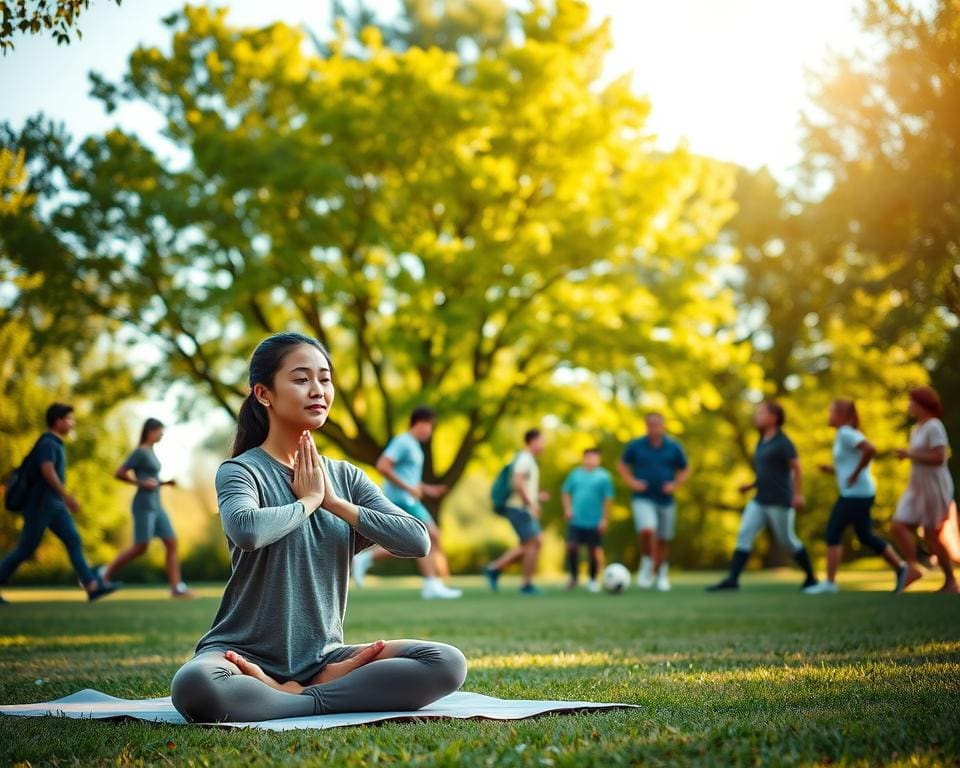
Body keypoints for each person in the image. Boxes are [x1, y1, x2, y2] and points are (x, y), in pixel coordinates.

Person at [170, 333, 466, 723]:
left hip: (323, 659)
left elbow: (417, 540)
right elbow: (246, 530)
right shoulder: (241, 470)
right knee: (196, 686)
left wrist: (334, 503)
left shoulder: (346, 477)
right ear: (264, 394)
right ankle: (307, 695)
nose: (318, 390)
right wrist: (307, 502)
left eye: (325, 379)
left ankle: (296, 696)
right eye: (301, 379)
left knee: (445, 662)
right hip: (238, 654)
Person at [0, 404, 117, 604]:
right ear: (58, 421)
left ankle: (92, 586)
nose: (73, 423)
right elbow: (47, 470)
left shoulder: (55, 443)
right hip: (40, 504)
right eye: (69, 419)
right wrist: (66, 496)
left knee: (73, 540)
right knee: (26, 548)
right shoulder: (48, 443)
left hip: (54, 505)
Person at [351, 407, 461, 600]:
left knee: (421, 538)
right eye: (429, 426)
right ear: (419, 423)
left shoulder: (414, 446)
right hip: (401, 500)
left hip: (408, 498)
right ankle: (430, 585)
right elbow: (383, 466)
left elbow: (408, 477)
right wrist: (409, 489)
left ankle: (367, 559)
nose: (430, 431)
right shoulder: (403, 442)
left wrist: (427, 489)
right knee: (428, 536)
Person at [708, 400, 818, 592]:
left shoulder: (783, 443)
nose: (756, 416)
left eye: (761, 413)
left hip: (780, 500)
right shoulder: (761, 441)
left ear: (774, 418)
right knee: (744, 535)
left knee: (787, 541)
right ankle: (733, 580)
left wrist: (798, 495)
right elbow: (766, 472)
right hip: (759, 499)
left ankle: (811, 577)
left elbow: (797, 469)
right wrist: (750, 485)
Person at [805, 399, 911, 594]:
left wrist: (854, 474)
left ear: (841, 415)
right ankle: (901, 567)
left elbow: (870, 449)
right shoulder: (842, 434)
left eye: (831, 412)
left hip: (856, 493)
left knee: (833, 531)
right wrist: (833, 470)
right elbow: (849, 462)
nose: (828, 416)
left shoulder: (846, 433)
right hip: (859, 492)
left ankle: (829, 583)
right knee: (865, 535)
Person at [99, 418, 193, 598]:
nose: (162, 434)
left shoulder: (151, 451)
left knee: (171, 542)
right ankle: (104, 573)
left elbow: (152, 480)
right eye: (160, 431)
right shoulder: (140, 452)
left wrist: (164, 483)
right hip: (144, 505)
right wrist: (140, 482)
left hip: (157, 505)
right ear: (150, 431)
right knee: (140, 547)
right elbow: (119, 473)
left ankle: (176, 588)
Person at [889, 386, 957, 593]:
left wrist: (910, 455)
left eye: (912, 401)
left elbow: (939, 457)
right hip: (916, 485)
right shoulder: (916, 428)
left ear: (922, 404)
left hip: (934, 485)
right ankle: (912, 567)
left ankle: (950, 581)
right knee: (898, 524)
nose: (909, 405)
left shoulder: (934, 426)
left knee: (932, 534)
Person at [617, 413, 689, 591]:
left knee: (664, 538)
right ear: (646, 426)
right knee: (648, 530)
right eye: (650, 425)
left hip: (665, 500)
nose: (653, 428)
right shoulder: (637, 445)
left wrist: (675, 484)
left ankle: (661, 574)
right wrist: (632, 482)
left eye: (657, 424)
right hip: (643, 498)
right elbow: (622, 464)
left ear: (663, 426)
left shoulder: (673, 446)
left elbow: (684, 469)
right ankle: (648, 565)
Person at [483, 429, 549, 595]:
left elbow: (523, 484)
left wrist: (537, 496)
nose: (543, 445)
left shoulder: (527, 459)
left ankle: (495, 568)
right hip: (519, 508)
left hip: (520, 507)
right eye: (541, 441)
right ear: (532, 441)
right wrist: (531, 504)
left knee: (530, 544)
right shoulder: (525, 458)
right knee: (534, 542)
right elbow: (517, 482)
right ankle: (525, 584)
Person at [561, 447, 614, 592]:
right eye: (588, 457)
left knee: (594, 550)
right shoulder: (575, 474)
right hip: (576, 519)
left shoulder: (604, 477)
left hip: (595, 520)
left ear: (599, 459)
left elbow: (607, 499)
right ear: (583, 458)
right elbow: (565, 492)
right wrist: (568, 509)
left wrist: (604, 519)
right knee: (572, 546)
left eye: (594, 457)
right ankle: (573, 577)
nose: (590, 460)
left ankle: (592, 579)